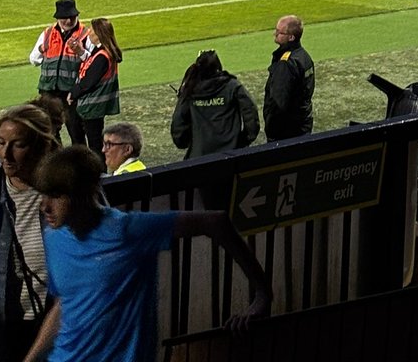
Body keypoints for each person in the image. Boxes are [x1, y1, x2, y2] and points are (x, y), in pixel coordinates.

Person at [24, 145, 270, 362]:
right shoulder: (54, 237)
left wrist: (262, 295)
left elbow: (217, 223)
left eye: (56, 196)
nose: (45, 206)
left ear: (82, 193)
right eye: (44, 195)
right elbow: (65, 303)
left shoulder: (127, 231)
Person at [0, 104, 60, 362]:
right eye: (0, 143)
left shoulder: (67, 191)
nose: (6, 154)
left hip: (56, 321)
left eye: (18, 144)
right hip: (3, 324)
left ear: (41, 145)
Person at [171, 51, 260, 159]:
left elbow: (178, 122)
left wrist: (184, 142)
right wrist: (244, 140)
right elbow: (250, 112)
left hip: (199, 155)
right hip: (231, 154)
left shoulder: (190, 89)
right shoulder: (232, 86)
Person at [29, 0, 89, 146]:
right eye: (64, 18)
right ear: (58, 18)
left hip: (71, 93)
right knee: (49, 131)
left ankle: (79, 163)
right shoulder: (48, 34)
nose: (68, 21)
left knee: (76, 130)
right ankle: (55, 161)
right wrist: (41, 50)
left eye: (71, 17)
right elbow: (33, 60)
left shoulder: (85, 34)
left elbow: (92, 63)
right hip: (48, 90)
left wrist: (81, 52)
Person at [68, 17, 122, 158]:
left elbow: (89, 81)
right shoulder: (103, 52)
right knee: (95, 141)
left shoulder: (102, 56)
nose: (88, 32)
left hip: (92, 105)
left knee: (95, 144)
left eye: (92, 30)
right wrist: (80, 51)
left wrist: (73, 93)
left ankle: (97, 172)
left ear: (99, 34)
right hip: (96, 105)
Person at [264, 16, 315, 141]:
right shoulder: (304, 56)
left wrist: (271, 129)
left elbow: (278, 102)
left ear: (291, 37)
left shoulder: (286, 63)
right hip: (303, 124)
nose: (275, 34)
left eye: (280, 32)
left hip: (287, 131)